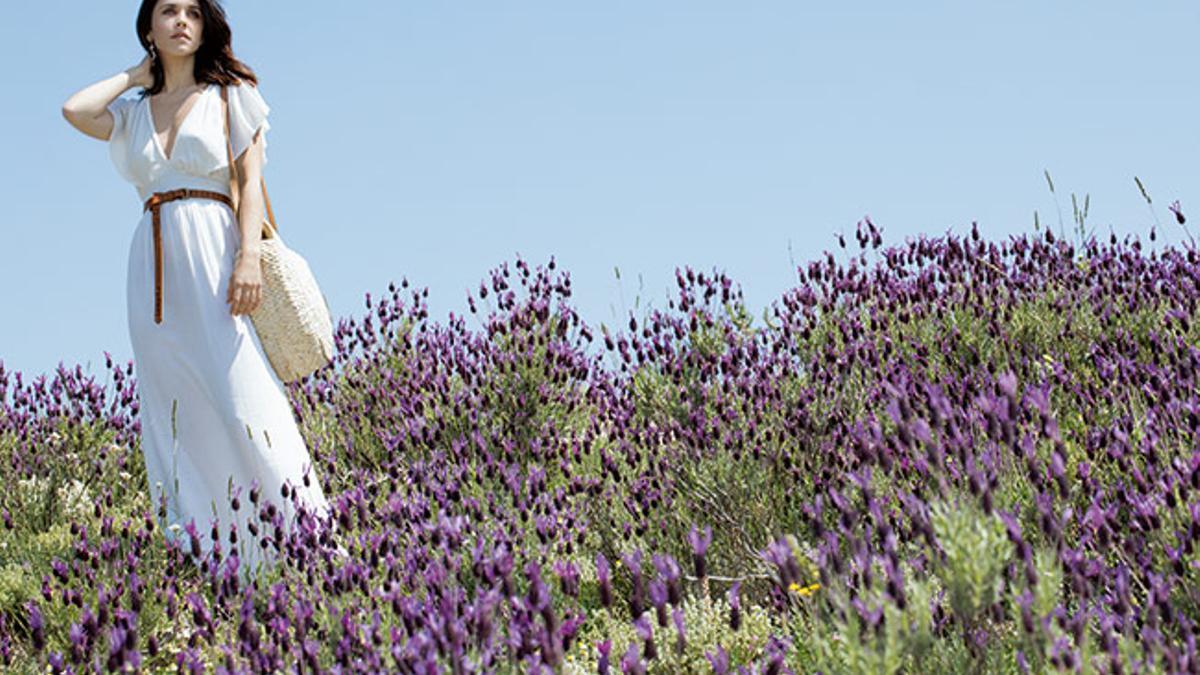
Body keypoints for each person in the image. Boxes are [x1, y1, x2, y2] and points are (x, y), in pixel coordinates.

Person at [61, 0, 339, 581]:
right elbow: (75, 109)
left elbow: (250, 183)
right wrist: (136, 76)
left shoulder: (231, 96)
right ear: (149, 28)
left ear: (206, 25)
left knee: (244, 397)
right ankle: (210, 556)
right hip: (154, 266)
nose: (182, 20)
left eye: (192, 11)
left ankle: (307, 542)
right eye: (168, 11)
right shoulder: (135, 112)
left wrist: (247, 260)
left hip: (216, 249)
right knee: (173, 413)